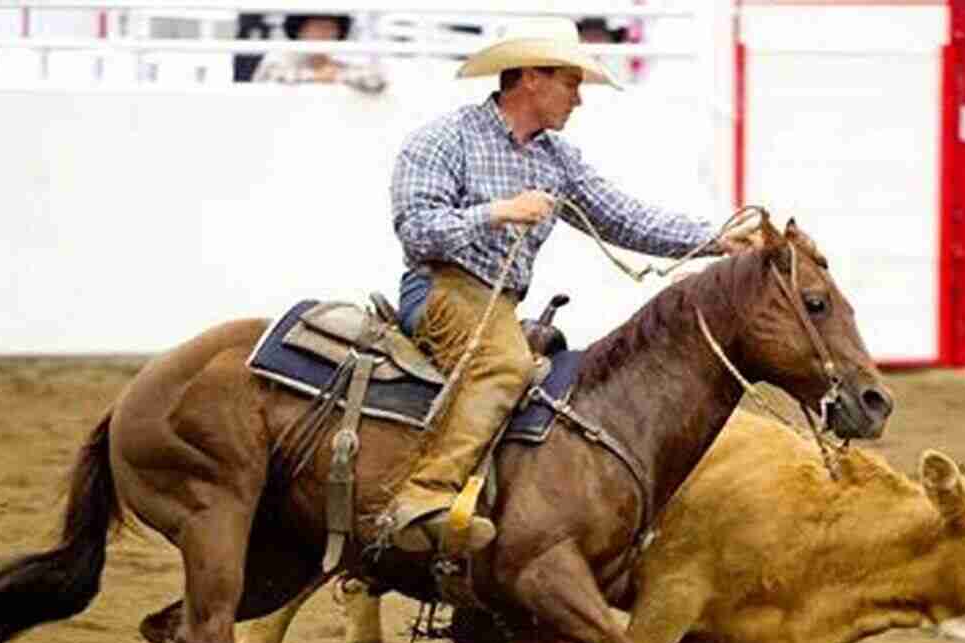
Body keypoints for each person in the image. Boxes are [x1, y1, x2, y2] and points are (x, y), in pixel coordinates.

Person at [383, 17, 758, 556]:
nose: (578, 99)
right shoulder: (444, 139)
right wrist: (497, 212)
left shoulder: (555, 160)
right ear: (532, 77)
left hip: (498, 303)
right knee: (505, 367)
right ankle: (424, 496)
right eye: (571, 82)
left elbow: (623, 218)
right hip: (440, 288)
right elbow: (416, 229)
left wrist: (717, 239)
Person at [251, 13, 385, 94]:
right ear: (300, 31)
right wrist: (314, 76)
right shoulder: (282, 54)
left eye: (330, 28)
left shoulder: (345, 57)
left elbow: (376, 81)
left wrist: (339, 76)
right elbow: (268, 78)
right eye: (317, 28)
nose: (324, 34)